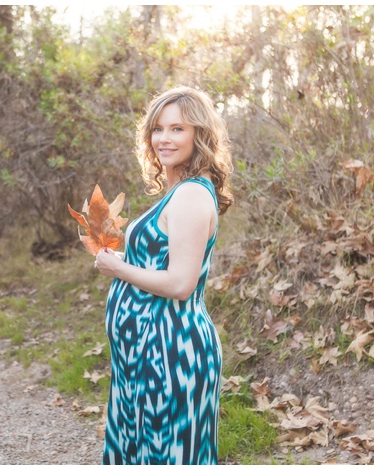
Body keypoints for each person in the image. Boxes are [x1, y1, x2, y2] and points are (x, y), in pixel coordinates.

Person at [94, 85, 233, 465]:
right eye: (157, 129)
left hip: (171, 358)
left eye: (177, 129)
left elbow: (180, 283)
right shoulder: (177, 193)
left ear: (198, 135)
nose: (164, 139)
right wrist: (124, 256)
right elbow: (163, 261)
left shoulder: (190, 195)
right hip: (143, 358)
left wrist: (118, 268)